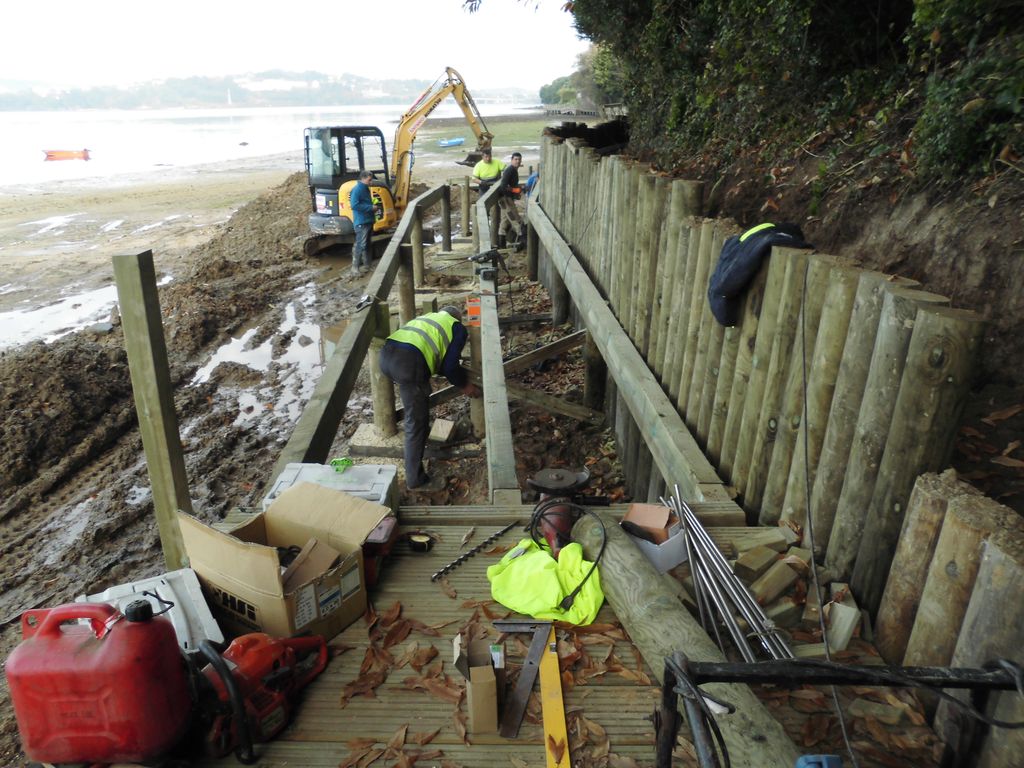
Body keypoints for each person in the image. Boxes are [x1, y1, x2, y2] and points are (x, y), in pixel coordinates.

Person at [379, 306, 481, 491]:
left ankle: (420, 430)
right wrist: (465, 385)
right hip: (407, 363)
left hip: (386, 356)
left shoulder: (427, 318)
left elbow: (436, 353)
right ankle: (415, 479)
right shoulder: (457, 327)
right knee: (415, 422)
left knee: (417, 397)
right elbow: (450, 367)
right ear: (456, 318)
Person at [495, 151, 525, 250]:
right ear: (511, 160)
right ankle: (522, 242)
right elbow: (503, 186)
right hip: (505, 199)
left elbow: (512, 185)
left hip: (507, 198)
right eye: (515, 159)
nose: (517, 161)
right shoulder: (509, 170)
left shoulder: (514, 170)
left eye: (519, 160)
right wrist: (515, 190)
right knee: (515, 219)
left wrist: (518, 190)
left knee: (504, 222)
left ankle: (501, 245)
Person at [349, 170, 375, 276]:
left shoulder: (365, 188)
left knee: (368, 243)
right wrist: (370, 208)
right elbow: (354, 205)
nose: (371, 182)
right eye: (369, 180)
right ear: (363, 178)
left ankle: (367, 265)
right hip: (361, 221)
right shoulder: (357, 190)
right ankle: (354, 268)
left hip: (368, 220)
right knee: (360, 244)